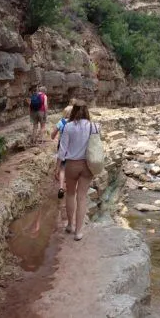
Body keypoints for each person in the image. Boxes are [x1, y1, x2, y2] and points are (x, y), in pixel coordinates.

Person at [58, 100, 99, 241]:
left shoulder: (68, 127)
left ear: (74, 110)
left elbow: (62, 150)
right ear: (87, 111)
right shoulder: (94, 126)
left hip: (71, 165)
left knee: (70, 194)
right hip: (87, 165)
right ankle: (78, 232)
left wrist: (57, 167)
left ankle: (70, 225)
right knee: (81, 197)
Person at [50, 105, 73, 199]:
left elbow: (52, 135)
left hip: (62, 146)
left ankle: (61, 187)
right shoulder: (75, 123)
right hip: (73, 147)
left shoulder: (61, 122)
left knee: (62, 168)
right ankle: (68, 185)